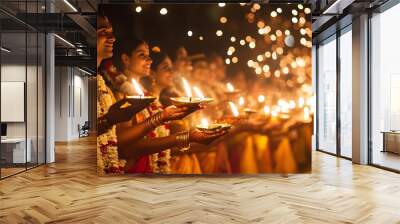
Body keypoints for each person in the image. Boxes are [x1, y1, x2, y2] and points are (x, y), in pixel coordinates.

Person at [112, 36, 227, 174]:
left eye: (149, 56)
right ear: (125, 59)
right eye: (142, 55)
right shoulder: (121, 95)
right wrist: (185, 134)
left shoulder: (150, 98)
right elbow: (126, 147)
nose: (149, 60)